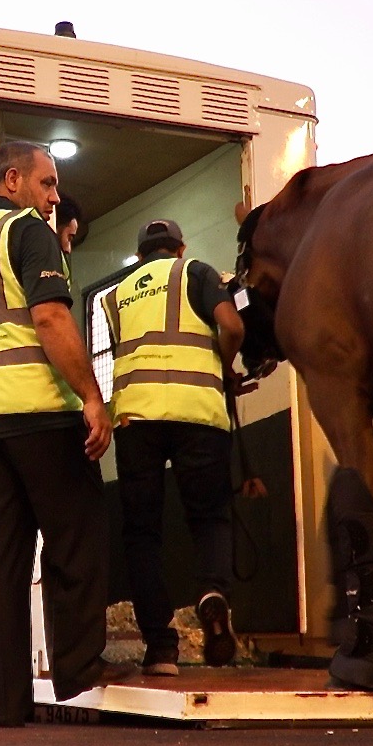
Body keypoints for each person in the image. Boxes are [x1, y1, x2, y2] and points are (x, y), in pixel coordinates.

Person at [0, 139, 132, 727]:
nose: (54, 197)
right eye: (47, 183)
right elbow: (49, 316)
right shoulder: (25, 231)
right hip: (37, 415)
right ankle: (77, 665)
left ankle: (1, 701)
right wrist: (91, 396)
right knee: (77, 535)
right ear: (12, 180)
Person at [102, 219, 245, 675]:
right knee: (209, 517)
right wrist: (223, 367)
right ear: (180, 248)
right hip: (197, 413)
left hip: (136, 420)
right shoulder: (196, 272)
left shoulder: (115, 296)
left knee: (142, 533)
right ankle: (212, 592)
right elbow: (233, 326)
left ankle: (160, 649)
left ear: (141, 255)